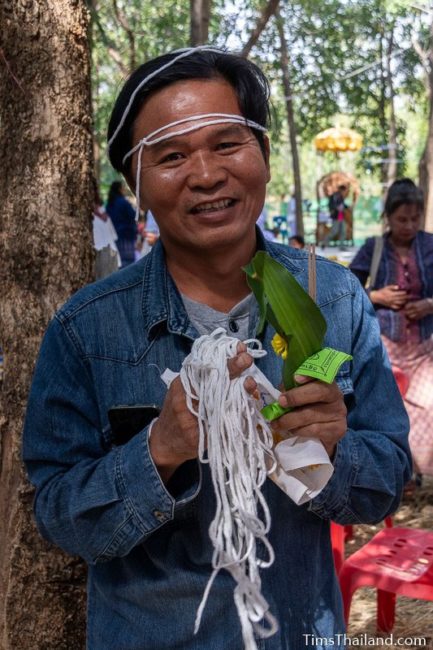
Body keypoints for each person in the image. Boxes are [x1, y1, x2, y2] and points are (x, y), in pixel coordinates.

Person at [23, 47, 411, 650]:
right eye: (172, 156)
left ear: (262, 154)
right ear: (138, 187)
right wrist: (161, 449)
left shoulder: (332, 299)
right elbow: (58, 515)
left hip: (302, 630)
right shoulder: (87, 329)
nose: (206, 175)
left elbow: (385, 482)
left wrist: (333, 447)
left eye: (228, 143)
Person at [350, 178, 433, 486]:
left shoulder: (430, 245)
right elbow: (349, 288)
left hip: (424, 348)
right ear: (388, 217)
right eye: (402, 219)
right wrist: (377, 296)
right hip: (384, 349)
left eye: (415, 219)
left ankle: (423, 475)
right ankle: (401, 477)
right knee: (389, 414)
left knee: (428, 408)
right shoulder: (374, 249)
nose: (409, 225)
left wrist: (428, 304)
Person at [106, 180, 138, 267]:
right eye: (123, 188)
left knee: (119, 261)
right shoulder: (123, 202)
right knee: (128, 262)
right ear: (120, 189)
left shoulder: (110, 203)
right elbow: (133, 215)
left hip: (114, 235)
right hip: (126, 235)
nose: (124, 190)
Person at [92, 188, 121, 278]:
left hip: (101, 255)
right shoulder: (105, 215)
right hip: (110, 253)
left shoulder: (93, 217)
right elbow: (114, 236)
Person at [320, 184, 348, 249]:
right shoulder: (334, 196)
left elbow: (343, 205)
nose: (344, 192)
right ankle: (324, 243)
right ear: (341, 190)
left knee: (343, 231)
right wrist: (336, 208)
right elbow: (331, 205)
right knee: (334, 231)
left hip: (341, 216)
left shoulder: (341, 197)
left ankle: (342, 246)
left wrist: (347, 207)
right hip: (336, 217)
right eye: (343, 191)